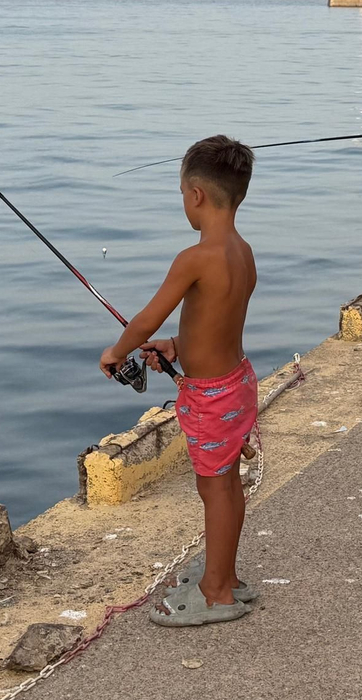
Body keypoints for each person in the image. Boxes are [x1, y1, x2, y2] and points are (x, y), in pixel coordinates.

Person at [99, 135, 261, 626]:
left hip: (210, 397)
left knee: (214, 489)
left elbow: (147, 318)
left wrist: (116, 350)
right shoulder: (242, 251)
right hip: (236, 382)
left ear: (195, 195)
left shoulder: (194, 258)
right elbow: (218, 319)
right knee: (228, 484)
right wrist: (178, 348)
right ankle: (226, 575)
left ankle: (215, 591)